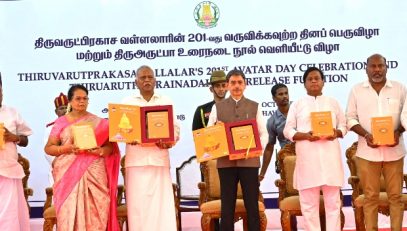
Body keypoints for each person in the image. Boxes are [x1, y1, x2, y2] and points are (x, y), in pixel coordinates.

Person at [44, 85, 120, 231]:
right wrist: (66, 148)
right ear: (70, 102)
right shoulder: (61, 122)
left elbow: (110, 147)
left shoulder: (99, 122)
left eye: (85, 98)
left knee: (98, 211)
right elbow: (49, 148)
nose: (82, 102)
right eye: (78, 98)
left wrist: (100, 151)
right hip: (68, 173)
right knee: (69, 213)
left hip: (95, 171)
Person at [346, 54, 406, 231]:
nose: (377, 70)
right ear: (366, 68)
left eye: (381, 66)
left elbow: (406, 117)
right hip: (367, 152)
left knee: (396, 197)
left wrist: (398, 132)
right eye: (373, 66)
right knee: (370, 197)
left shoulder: (400, 89)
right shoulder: (357, 90)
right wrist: (366, 135)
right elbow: (350, 118)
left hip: (394, 152)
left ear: (387, 67)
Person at [283, 67, 346, 230]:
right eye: (309, 79)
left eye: (317, 78)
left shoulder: (333, 102)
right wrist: (306, 136)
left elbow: (344, 126)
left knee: (333, 204)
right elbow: (288, 130)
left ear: (323, 81)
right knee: (309, 206)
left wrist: (336, 132)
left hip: (330, 159)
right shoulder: (297, 104)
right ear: (304, 83)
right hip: (308, 161)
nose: (313, 81)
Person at [207, 69, 268, 231]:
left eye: (240, 82)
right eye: (232, 83)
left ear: (245, 85)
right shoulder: (217, 108)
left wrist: (256, 150)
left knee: (252, 205)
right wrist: (215, 129)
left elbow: (264, 134)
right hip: (226, 163)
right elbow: (208, 134)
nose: (236, 86)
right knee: (227, 206)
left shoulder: (255, 106)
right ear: (227, 86)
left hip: (250, 162)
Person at [121, 65, 179, 231]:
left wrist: (169, 142)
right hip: (136, 161)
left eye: (150, 77)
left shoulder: (165, 101)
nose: (146, 80)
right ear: (136, 82)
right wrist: (127, 137)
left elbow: (175, 128)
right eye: (143, 78)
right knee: (137, 207)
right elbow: (121, 129)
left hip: (158, 159)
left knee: (162, 207)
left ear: (155, 80)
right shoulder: (127, 103)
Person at [259, 83, 297, 231]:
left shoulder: (299, 110)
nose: (284, 97)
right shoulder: (272, 121)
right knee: (290, 197)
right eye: (280, 94)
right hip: (287, 163)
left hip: (307, 157)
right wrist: (262, 173)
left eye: (286, 93)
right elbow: (269, 148)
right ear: (274, 98)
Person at [0, 80, 32, 231]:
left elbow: (25, 140)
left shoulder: (12, 112)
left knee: (9, 214)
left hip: (9, 170)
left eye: (0, 91)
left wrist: (14, 137)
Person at [44, 92, 69, 186]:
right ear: (56, 111)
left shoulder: (78, 124)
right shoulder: (50, 128)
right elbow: (47, 150)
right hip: (58, 166)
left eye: (67, 107)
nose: (65, 110)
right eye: (61, 108)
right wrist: (56, 162)